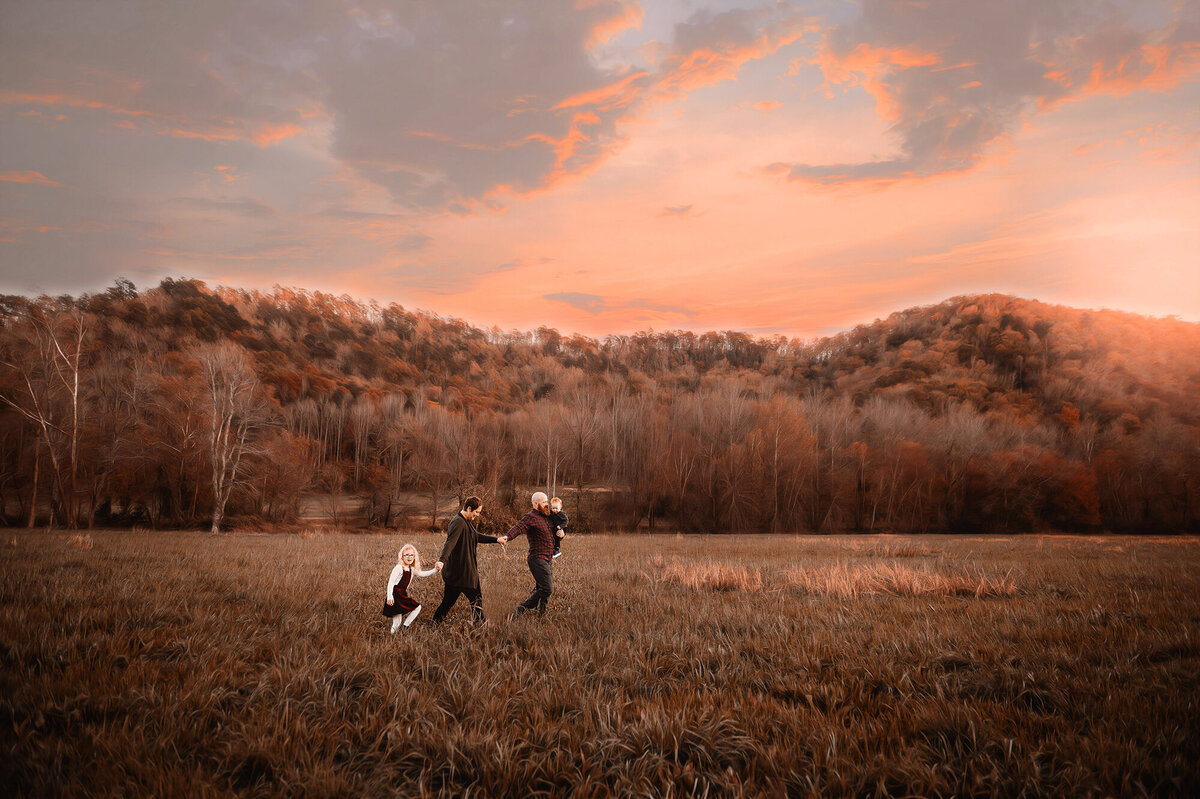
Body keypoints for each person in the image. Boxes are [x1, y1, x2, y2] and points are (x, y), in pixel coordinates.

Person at [432, 496, 507, 627]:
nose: (477, 515)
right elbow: (450, 543)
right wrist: (441, 560)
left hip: (461, 573)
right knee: (476, 600)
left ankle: (435, 622)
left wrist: (496, 540)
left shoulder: (466, 522)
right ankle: (479, 624)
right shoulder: (458, 523)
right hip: (462, 573)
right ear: (468, 508)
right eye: (476, 512)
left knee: (450, 602)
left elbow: (476, 536)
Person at [505, 491, 556, 617]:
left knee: (542, 589)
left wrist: (562, 532)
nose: (546, 504)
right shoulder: (530, 517)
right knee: (547, 588)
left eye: (546, 502)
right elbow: (518, 527)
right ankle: (521, 609)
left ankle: (541, 615)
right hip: (537, 559)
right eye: (543, 502)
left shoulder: (546, 517)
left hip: (548, 558)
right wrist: (507, 537)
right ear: (535, 503)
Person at [382, 543, 441, 634]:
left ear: (414, 557)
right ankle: (392, 636)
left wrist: (435, 570)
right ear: (402, 556)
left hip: (402, 594)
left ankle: (404, 627)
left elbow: (422, 574)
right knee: (397, 621)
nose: (409, 557)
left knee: (416, 608)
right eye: (406, 555)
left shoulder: (411, 569)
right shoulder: (399, 568)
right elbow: (391, 582)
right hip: (395, 595)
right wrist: (390, 596)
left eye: (411, 555)